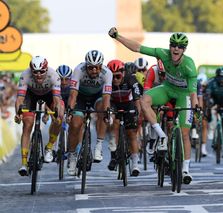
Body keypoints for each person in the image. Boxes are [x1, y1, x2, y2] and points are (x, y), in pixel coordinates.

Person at [108, 27, 199, 184]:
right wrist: (117, 37)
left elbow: (193, 93)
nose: (176, 49)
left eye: (180, 46)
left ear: (184, 50)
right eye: (173, 45)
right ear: (170, 46)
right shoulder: (162, 54)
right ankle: (160, 135)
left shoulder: (189, 65)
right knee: (144, 100)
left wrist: (196, 106)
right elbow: (137, 47)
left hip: (184, 95)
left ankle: (185, 170)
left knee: (184, 133)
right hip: (167, 89)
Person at [14, 56, 64, 176]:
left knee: (60, 115)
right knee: (27, 125)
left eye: (42, 72)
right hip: (30, 96)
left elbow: (56, 100)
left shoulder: (54, 76)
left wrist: (56, 113)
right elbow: (20, 99)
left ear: (46, 70)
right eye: (35, 72)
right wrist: (18, 114)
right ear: (31, 71)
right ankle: (24, 163)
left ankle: (49, 147)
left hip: (49, 96)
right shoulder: (25, 75)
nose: (38, 75)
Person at [66, 50, 112, 176]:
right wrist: (70, 111)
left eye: (97, 68)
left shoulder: (107, 73)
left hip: (97, 97)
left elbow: (107, 96)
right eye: (90, 68)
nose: (94, 71)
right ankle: (72, 156)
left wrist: (107, 112)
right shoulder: (78, 70)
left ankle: (99, 145)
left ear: (101, 66)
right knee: (75, 124)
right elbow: (73, 94)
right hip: (80, 96)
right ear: (86, 65)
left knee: (103, 108)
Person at [106, 59, 142, 176]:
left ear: (124, 73)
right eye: (113, 77)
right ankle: (113, 155)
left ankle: (135, 164)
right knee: (114, 124)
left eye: (118, 76)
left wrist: (137, 114)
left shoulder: (131, 79)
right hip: (114, 104)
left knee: (131, 133)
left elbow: (137, 99)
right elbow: (105, 100)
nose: (115, 80)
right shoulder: (107, 81)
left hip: (129, 104)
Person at [206, 67, 223, 158]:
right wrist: (208, 110)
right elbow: (207, 96)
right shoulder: (211, 82)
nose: (221, 80)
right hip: (213, 98)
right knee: (208, 109)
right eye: (220, 77)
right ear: (216, 76)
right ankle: (211, 130)